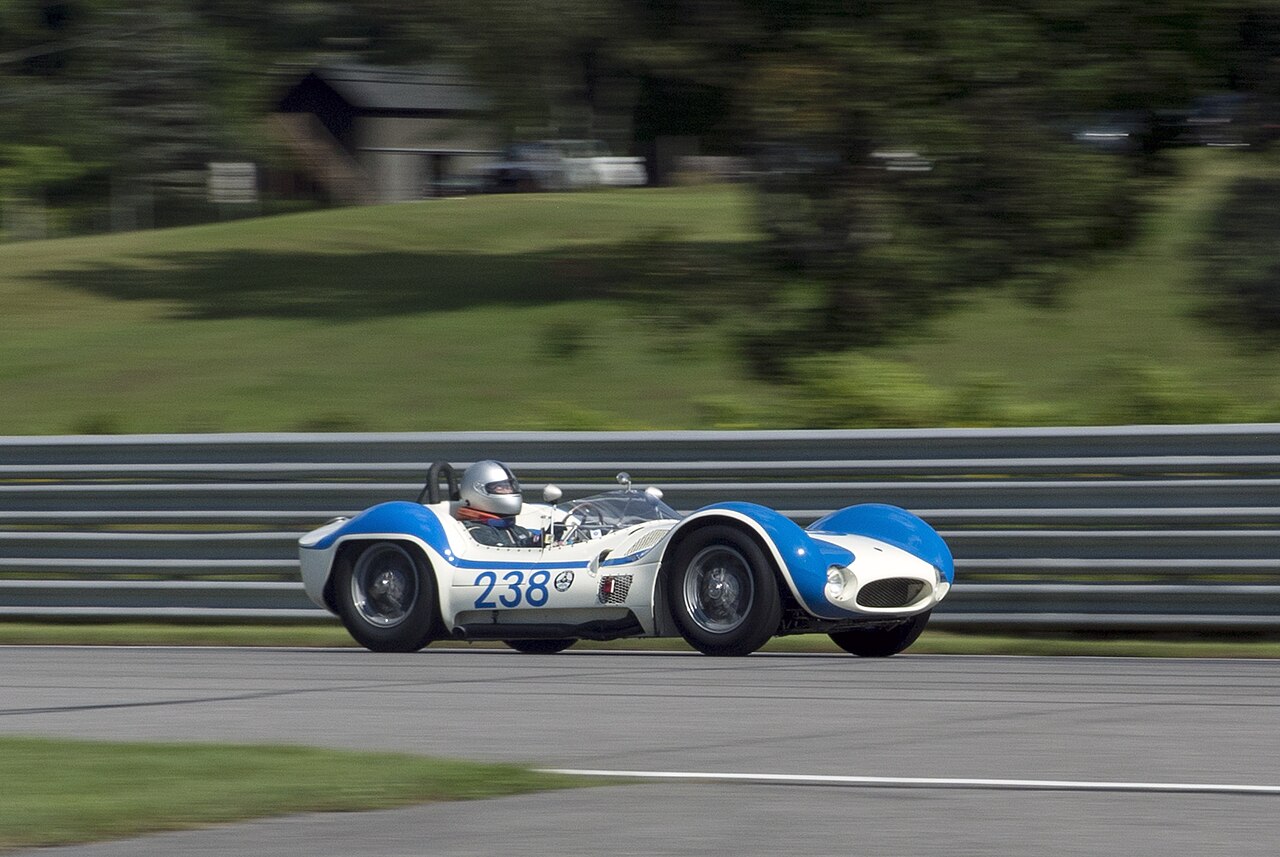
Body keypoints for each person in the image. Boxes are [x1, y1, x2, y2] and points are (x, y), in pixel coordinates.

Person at [456, 459, 540, 547]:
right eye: (500, 487)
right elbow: (500, 552)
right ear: (478, 490)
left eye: (510, 487)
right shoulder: (473, 531)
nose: (509, 491)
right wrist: (532, 542)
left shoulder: (515, 529)